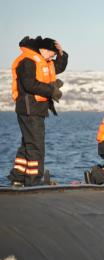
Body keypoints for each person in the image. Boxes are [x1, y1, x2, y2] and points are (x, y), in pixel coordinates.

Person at [7, 36, 68, 187]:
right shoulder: (27, 61)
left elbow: (58, 67)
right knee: (36, 145)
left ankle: (18, 177)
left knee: (28, 144)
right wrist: (51, 90)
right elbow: (30, 84)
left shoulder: (43, 61)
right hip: (29, 108)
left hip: (36, 109)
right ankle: (33, 180)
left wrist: (62, 53)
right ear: (44, 50)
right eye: (52, 54)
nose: (52, 58)